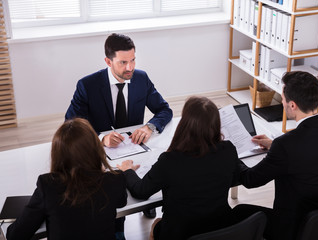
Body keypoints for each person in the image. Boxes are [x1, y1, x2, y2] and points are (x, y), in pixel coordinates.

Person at [65, 33, 172, 218]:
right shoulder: (87, 85)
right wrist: (101, 138)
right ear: (108, 61)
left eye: (133, 60)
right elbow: (70, 123)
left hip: (135, 148)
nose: (129, 67)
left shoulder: (141, 78)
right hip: (101, 153)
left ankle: (144, 200)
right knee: (111, 199)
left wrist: (149, 127)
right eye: (123, 62)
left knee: (151, 174)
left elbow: (164, 110)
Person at [233, 71, 318, 240]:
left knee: (239, 212)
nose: (282, 102)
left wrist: (230, 153)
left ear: (292, 105)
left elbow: (250, 180)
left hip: (297, 227)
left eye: (283, 98)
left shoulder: (286, 145)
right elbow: (311, 150)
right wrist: (273, 145)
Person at [117, 96, 241, 240]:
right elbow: (234, 176)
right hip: (220, 228)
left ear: (184, 124)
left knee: (157, 223)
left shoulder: (170, 160)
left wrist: (127, 171)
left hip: (181, 233)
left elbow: (141, 191)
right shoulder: (229, 150)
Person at [6, 118, 127, 240]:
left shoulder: (47, 185)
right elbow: (122, 201)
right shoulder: (114, 180)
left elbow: (15, 235)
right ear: (96, 149)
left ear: (57, 153)